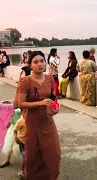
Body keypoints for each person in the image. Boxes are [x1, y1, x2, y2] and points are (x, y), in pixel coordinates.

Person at [18, 51, 61, 179]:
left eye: (42, 61)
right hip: (32, 121)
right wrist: (39, 103)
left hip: (47, 120)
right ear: (30, 65)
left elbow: (53, 97)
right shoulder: (25, 81)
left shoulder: (50, 78)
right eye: (35, 62)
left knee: (54, 154)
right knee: (34, 155)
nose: (40, 64)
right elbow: (20, 103)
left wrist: (55, 107)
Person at [0, 104, 22, 168]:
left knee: (19, 146)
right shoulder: (7, 113)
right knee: (8, 144)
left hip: (20, 128)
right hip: (12, 128)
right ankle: (7, 159)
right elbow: (9, 121)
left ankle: (25, 165)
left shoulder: (17, 110)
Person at [13, 109, 27, 179]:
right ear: (22, 112)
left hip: (30, 142)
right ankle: (23, 171)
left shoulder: (32, 120)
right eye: (26, 112)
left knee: (28, 157)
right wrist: (16, 138)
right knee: (25, 157)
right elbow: (15, 130)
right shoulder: (20, 121)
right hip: (22, 142)